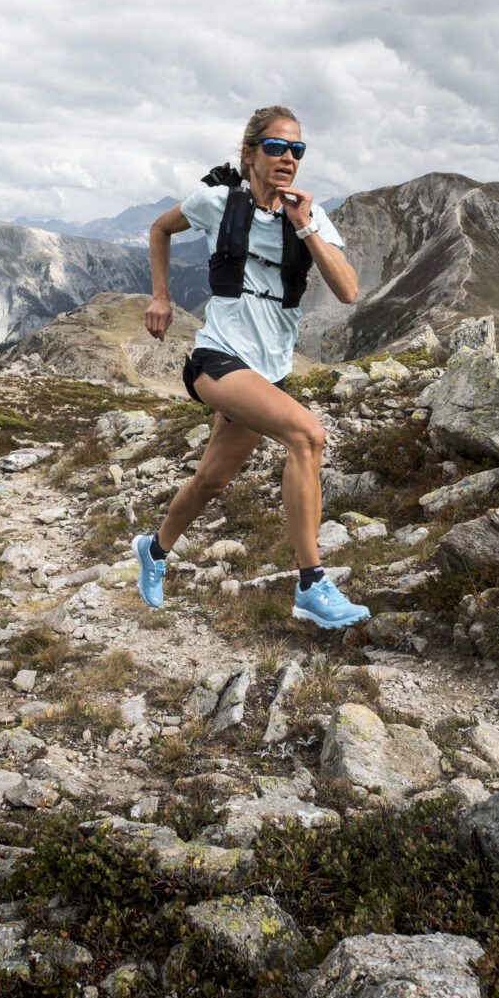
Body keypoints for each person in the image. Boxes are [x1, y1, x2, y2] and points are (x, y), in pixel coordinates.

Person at [131, 105, 371, 628]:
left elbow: (349, 290)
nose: (288, 158)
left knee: (212, 481)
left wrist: (304, 226)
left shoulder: (310, 214)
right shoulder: (217, 202)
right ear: (250, 153)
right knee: (307, 435)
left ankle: (154, 548)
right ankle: (312, 584)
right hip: (216, 358)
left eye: (298, 150)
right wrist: (162, 296)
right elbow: (159, 228)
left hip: (268, 369)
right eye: (277, 147)